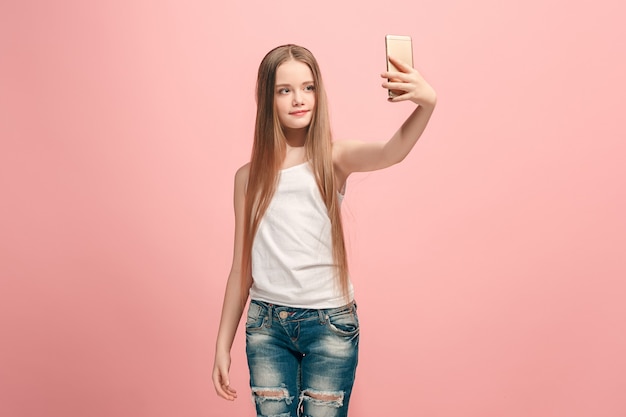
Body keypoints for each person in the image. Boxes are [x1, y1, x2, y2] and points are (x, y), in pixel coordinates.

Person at [212, 44, 436, 417]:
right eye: (285, 90)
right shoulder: (247, 179)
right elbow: (241, 270)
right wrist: (223, 343)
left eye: (308, 87)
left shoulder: (333, 158)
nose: (299, 99)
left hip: (329, 324)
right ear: (267, 99)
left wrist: (426, 104)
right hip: (265, 327)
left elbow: (392, 152)